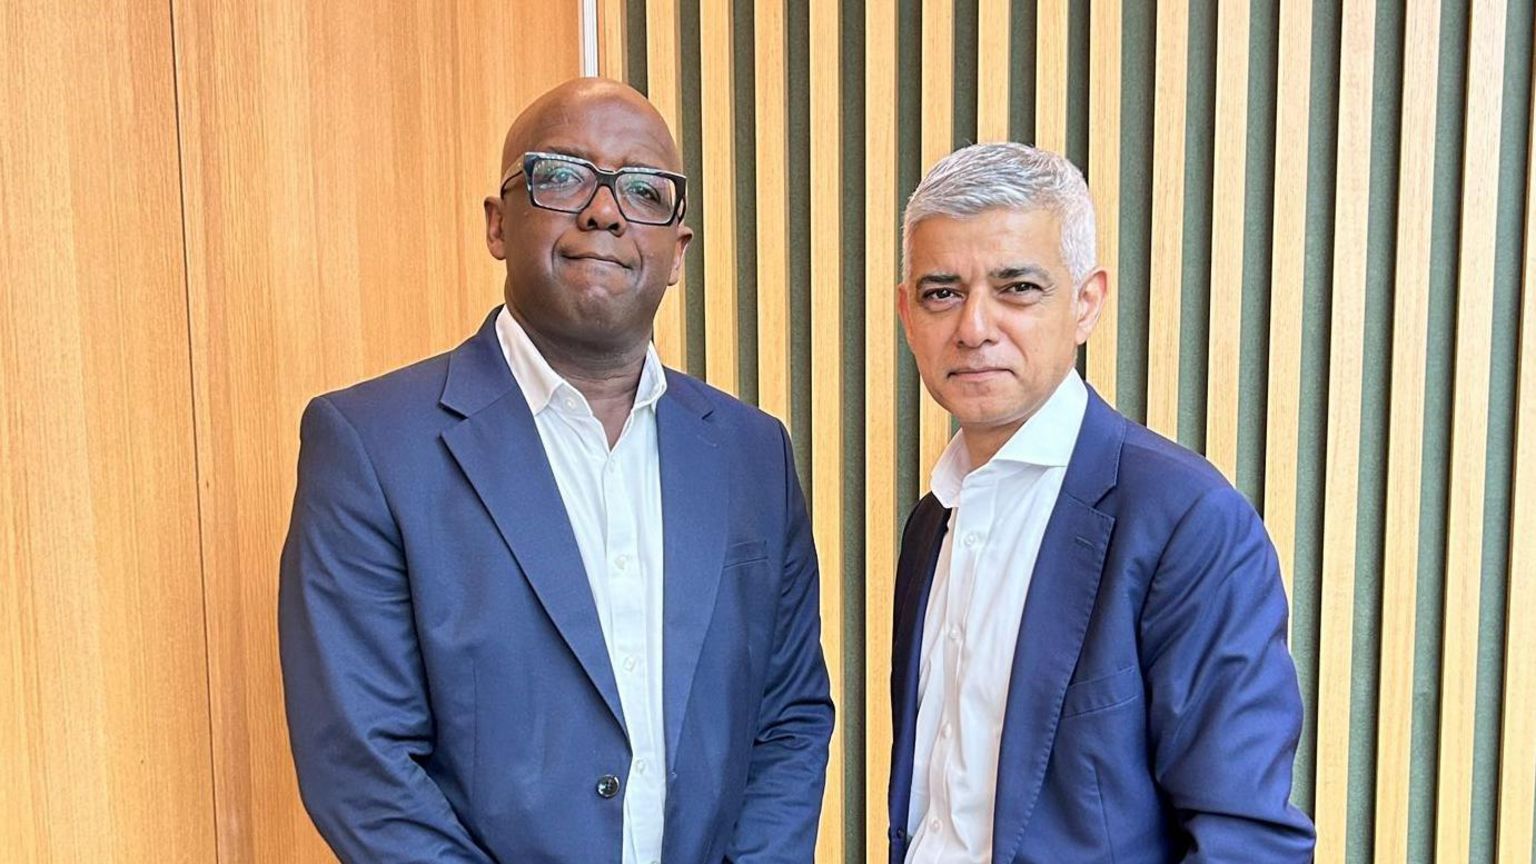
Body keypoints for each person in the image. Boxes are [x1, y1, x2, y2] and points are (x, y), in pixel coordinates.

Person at [279, 77, 833, 864]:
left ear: (677, 254)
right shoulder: (370, 445)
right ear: (499, 224)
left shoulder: (753, 455)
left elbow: (791, 717)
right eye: (563, 175)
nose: (604, 210)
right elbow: (360, 763)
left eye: (644, 189)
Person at [886, 142, 1315, 863]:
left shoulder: (1185, 521)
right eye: (942, 292)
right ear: (907, 314)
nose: (974, 326)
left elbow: (1247, 841)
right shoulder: (932, 522)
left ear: (1086, 303)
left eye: (1017, 287)